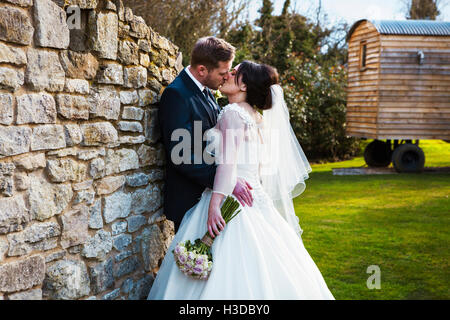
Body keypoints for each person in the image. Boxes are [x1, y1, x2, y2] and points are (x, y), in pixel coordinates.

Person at [148, 60, 335, 299]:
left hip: (230, 198)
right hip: (254, 197)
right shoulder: (255, 117)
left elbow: (227, 166)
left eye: (234, 72)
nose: (227, 74)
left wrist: (215, 205)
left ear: (244, 85)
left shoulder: (233, 113)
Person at [158, 37, 254, 232]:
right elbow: (182, 155)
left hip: (211, 196)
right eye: (222, 73)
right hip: (190, 200)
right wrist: (229, 182)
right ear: (202, 70)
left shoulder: (207, 91)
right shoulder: (177, 95)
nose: (226, 77)